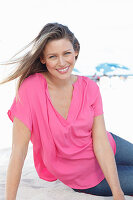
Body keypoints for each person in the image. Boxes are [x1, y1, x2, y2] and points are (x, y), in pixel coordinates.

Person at [0, 23, 133, 200]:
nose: (62, 62)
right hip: (86, 177)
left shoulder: (90, 88)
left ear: (76, 51)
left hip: (109, 146)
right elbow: (18, 151)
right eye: (53, 56)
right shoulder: (30, 90)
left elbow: (100, 140)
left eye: (67, 53)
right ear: (42, 58)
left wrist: (118, 194)